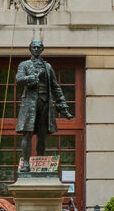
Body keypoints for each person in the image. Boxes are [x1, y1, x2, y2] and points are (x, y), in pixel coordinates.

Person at [15, 39, 73, 171]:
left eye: (38, 47)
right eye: (34, 47)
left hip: (45, 102)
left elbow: (55, 86)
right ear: (30, 49)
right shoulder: (24, 65)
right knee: (27, 133)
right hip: (30, 103)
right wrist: (33, 77)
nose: (36, 50)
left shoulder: (48, 67)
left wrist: (62, 103)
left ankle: (40, 163)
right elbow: (19, 79)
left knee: (42, 135)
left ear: (42, 49)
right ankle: (26, 163)